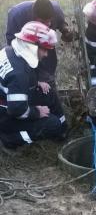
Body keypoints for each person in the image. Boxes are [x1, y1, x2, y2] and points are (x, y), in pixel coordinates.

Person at [0, 21, 67, 152]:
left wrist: (35, 84)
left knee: (48, 92)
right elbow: (16, 110)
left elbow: (12, 82)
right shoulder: (19, 74)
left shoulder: (10, 50)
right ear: (32, 46)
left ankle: (62, 129)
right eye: (44, 50)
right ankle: (10, 138)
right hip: (5, 114)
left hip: (9, 99)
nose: (46, 54)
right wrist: (36, 112)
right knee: (52, 124)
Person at [6, 0, 73, 88]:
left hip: (45, 50)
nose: (47, 25)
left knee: (48, 77)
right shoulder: (17, 15)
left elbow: (61, 23)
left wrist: (65, 30)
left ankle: (49, 89)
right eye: (43, 21)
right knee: (28, 79)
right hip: (25, 50)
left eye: (49, 21)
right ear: (34, 17)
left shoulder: (56, 10)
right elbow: (12, 43)